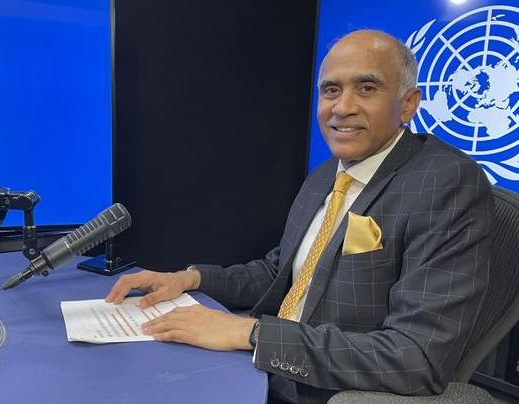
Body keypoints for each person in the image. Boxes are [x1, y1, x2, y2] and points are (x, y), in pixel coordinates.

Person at [105, 30, 493, 403]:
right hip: (259, 367)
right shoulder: (326, 175)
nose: (342, 107)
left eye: (366, 88)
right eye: (331, 90)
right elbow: (282, 274)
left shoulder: (446, 183)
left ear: (408, 104)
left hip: (316, 390)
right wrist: (190, 279)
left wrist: (251, 334)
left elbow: (415, 357)